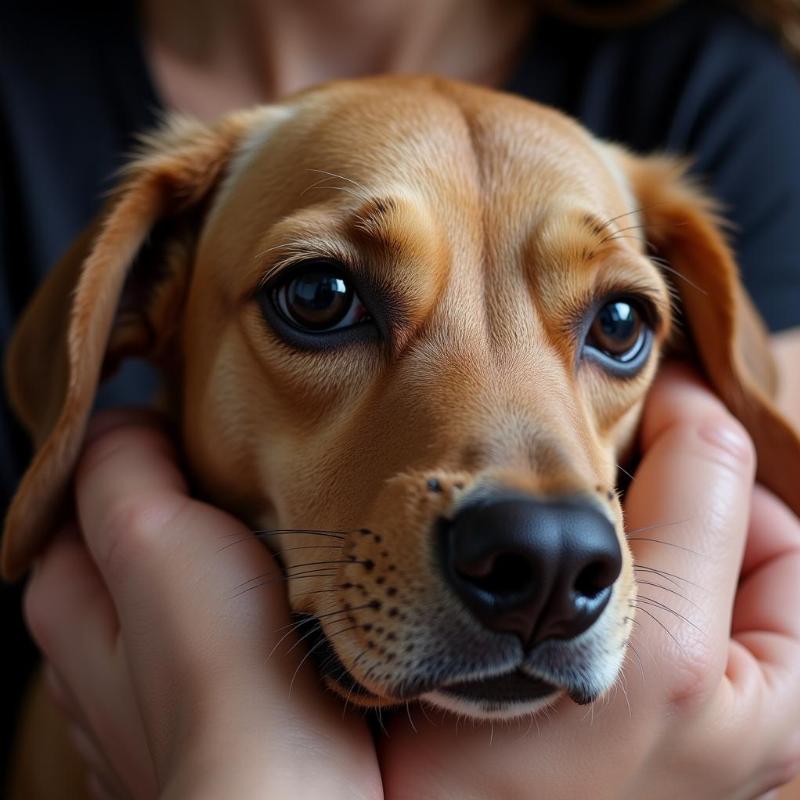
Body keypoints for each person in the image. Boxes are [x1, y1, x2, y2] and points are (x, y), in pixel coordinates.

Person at [2, 0, 800, 796]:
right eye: (322, 299)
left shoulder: (724, 96)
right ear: (146, 297)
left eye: (616, 325)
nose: (544, 544)